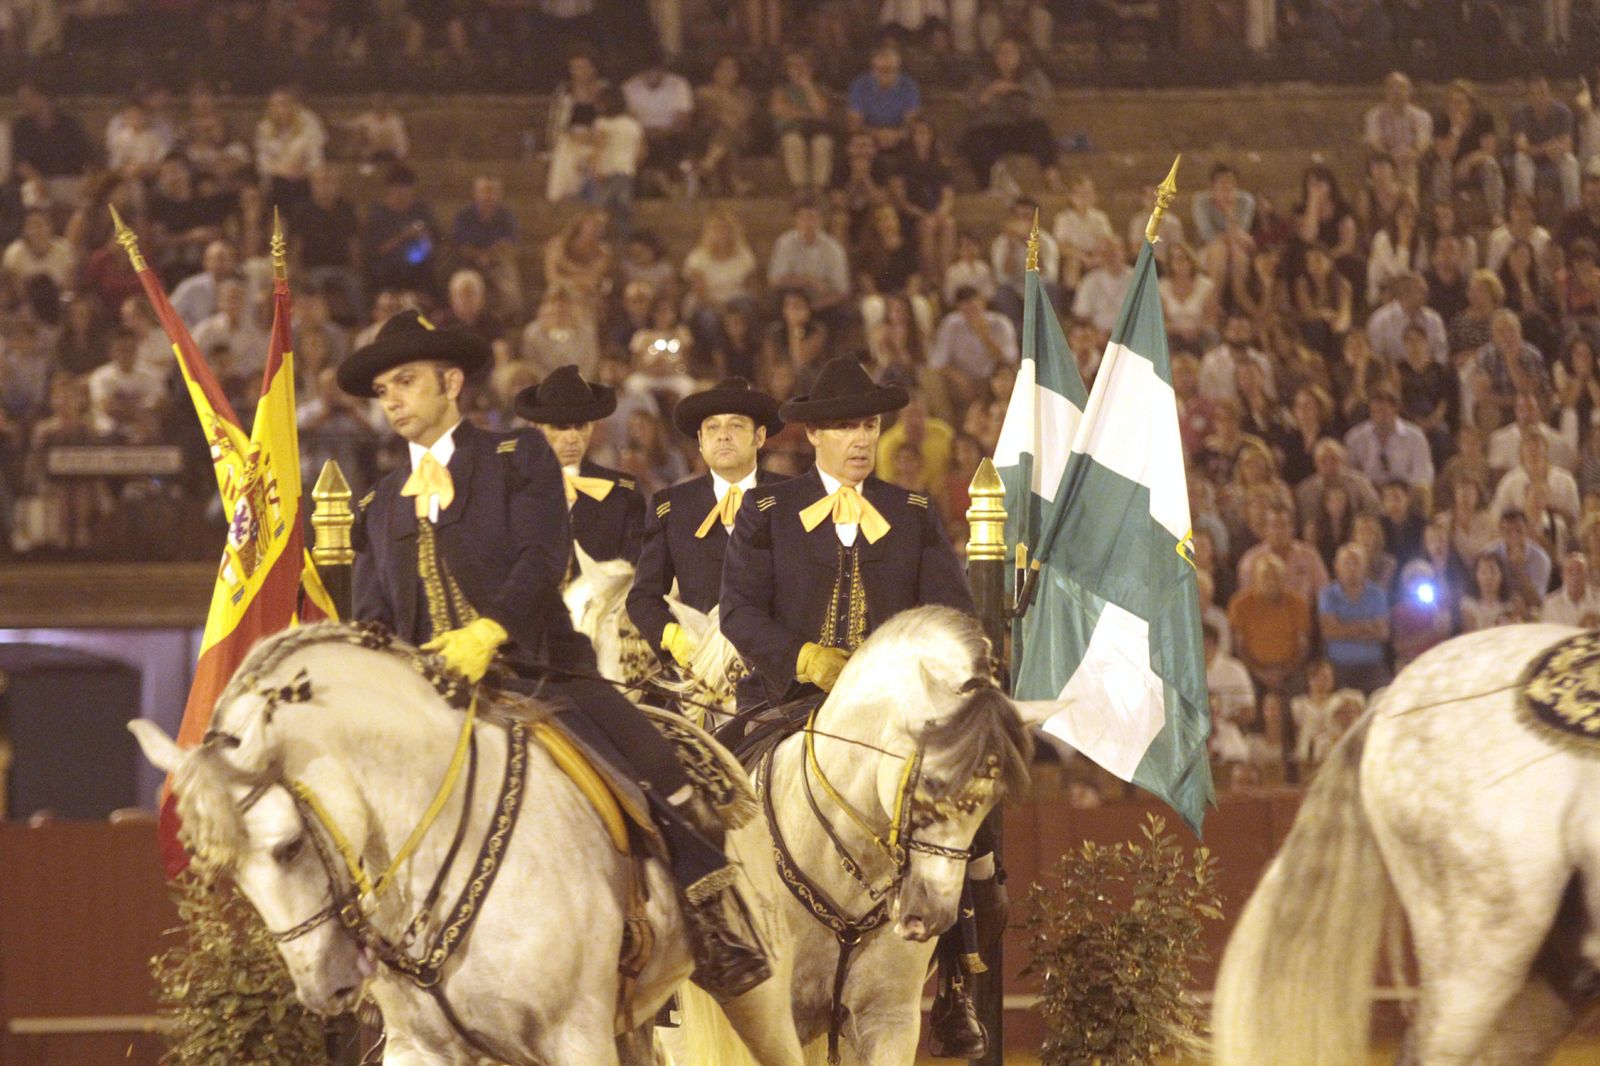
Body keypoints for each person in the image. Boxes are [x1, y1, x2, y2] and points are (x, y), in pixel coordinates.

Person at [337, 310, 770, 1003]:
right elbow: (374, 616)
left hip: (540, 671)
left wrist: (488, 633)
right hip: (430, 698)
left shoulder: (517, 458)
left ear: (451, 382)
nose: (391, 399)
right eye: (383, 389)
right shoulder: (382, 499)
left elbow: (542, 558)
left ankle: (715, 924)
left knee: (657, 767)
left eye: (406, 381)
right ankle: (357, 968)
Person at [718, 355, 990, 1057]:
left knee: (972, 824)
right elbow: (740, 613)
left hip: (892, 718)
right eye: (844, 427)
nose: (860, 439)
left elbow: (951, 617)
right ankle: (696, 954)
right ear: (813, 434)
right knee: (704, 800)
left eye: (868, 424)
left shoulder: (914, 513)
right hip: (782, 704)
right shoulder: (767, 511)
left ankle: (957, 981)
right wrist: (804, 658)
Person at [627, 378, 784, 699]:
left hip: (779, 674)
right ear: (700, 441)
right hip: (701, 678)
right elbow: (643, 597)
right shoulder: (672, 507)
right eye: (712, 428)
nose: (723, 435)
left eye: (736, 426)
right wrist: (672, 636)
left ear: (760, 436)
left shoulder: (792, 497)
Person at [514, 365, 645, 567]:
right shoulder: (509, 488)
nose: (572, 438)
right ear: (536, 428)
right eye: (559, 427)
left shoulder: (621, 493)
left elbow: (638, 566)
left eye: (580, 426)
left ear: (592, 427)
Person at [1318, 543, 1390, 693]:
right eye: (1346, 563)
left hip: (1372, 666)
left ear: (1365, 566)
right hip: (1339, 667)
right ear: (1337, 566)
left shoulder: (1377, 593)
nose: (1351, 568)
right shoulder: (1328, 595)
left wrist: (1343, 628)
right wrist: (1365, 627)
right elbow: (1329, 632)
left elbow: (1382, 633)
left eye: (1356, 562)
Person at [1510, 75, 1581, 216]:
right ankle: (1527, 212)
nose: (1539, 98)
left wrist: (1555, 149)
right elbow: (1521, 146)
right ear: (1529, 97)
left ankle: (1573, 213)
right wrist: (1546, 148)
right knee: (1520, 160)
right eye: (1534, 94)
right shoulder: (1520, 114)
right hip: (1531, 158)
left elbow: (1567, 144)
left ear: (1550, 94)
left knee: (1570, 161)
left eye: (1543, 93)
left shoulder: (1563, 112)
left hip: (1554, 157)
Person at [1541, 550, 1600, 624]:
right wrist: (1582, 625)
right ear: (1562, 575)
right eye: (1570, 571)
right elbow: (1552, 631)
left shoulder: (1598, 599)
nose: (1575, 576)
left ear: (1587, 574)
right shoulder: (1552, 604)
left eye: (1579, 571)